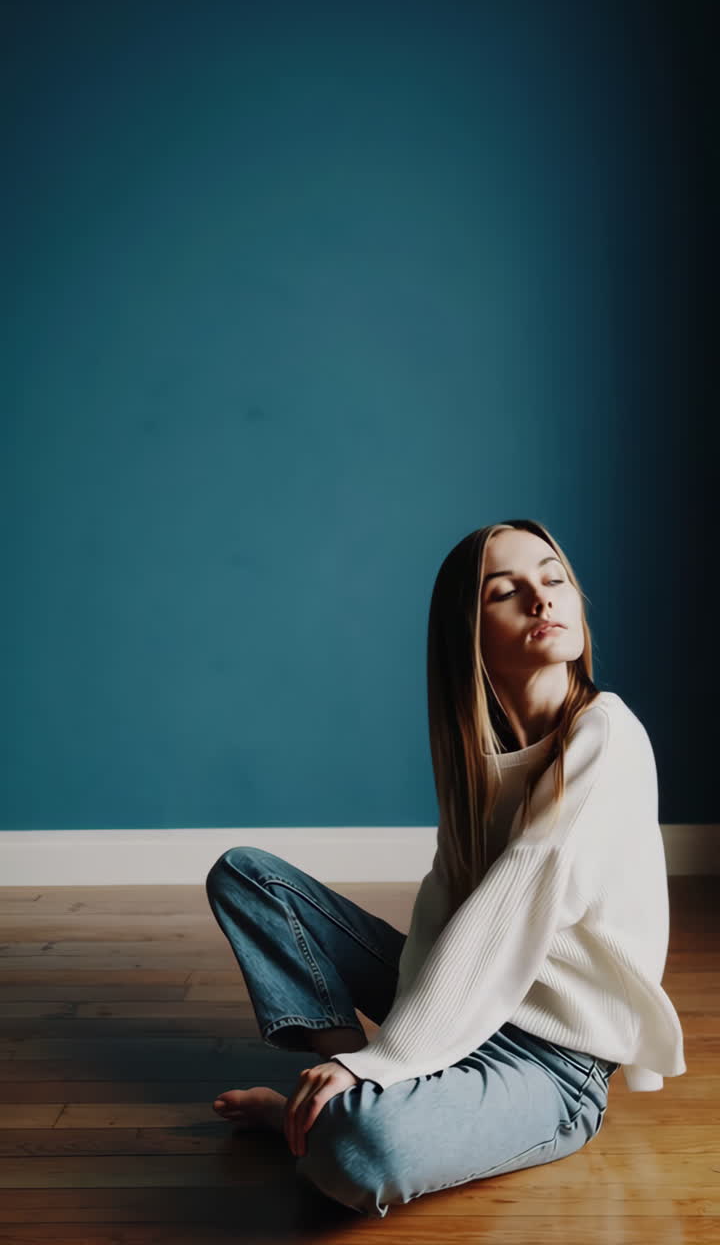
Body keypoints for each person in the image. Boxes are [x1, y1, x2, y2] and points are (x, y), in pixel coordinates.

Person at [204, 518, 686, 1218]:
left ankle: (320, 1115)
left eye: (554, 581)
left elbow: (515, 901)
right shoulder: (479, 762)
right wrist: (371, 1059)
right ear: (469, 631)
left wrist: (387, 1061)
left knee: (360, 1149)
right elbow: (446, 913)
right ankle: (336, 1086)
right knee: (248, 875)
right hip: (464, 1000)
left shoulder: (605, 734)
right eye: (506, 592)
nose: (542, 600)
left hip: (550, 1062)